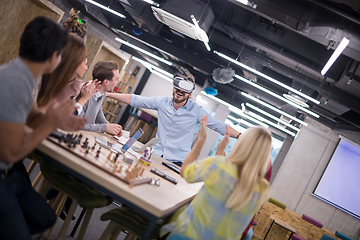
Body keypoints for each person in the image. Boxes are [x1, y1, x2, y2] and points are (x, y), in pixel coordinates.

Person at [0, 16, 87, 240]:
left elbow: (34, 115)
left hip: (8, 174)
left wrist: (57, 121)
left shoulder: (23, 74)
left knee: (45, 218)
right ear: (53, 57)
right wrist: (49, 125)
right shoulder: (17, 82)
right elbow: (11, 153)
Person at [159, 116, 272, 240]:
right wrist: (221, 152)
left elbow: (184, 171)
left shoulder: (218, 164)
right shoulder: (263, 189)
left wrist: (201, 140)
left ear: (242, 144)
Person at [106, 76, 240, 165]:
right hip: (155, 155)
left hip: (178, 161)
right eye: (178, 87)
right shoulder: (162, 102)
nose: (180, 91)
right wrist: (107, 94)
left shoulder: (196, 111)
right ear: (173, 88)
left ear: (190, 94)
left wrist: (241, 136)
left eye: (185, 89)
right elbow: (136, 100)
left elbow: (220, 126)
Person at [78, 61, 123, 136]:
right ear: (106, 82)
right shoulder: (84, 93)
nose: (118, 81)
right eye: (117, 79)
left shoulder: (102, 92)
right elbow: (78, 126)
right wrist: (105, 128)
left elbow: (98, 112)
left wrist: (112, 128)